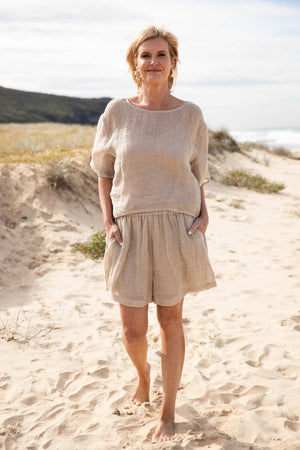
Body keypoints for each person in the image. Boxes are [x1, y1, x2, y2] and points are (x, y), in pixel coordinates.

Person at [90, 25, 217, 443]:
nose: (154, 62)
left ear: (173, 63)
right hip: (129, 228)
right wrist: (108, 222)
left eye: (162, 55)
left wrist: (204, 214)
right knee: (133, 331)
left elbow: (199, 172)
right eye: (146, 55)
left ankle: (167, 412)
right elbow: (104, 172)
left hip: (176, 226)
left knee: (171, 321)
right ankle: (143, 377)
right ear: (135, 64)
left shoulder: (191, 115)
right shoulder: (116, 112)